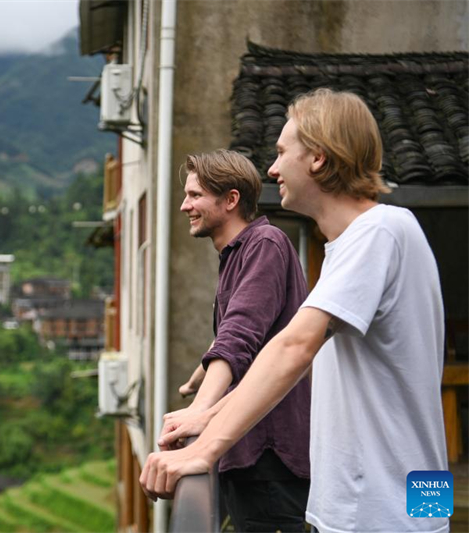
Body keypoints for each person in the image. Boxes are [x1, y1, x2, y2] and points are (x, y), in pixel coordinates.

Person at [140, 89, 449, 533]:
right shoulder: (349, 249)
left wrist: (203, 448)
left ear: (318, 159)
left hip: (388, 513)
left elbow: (293, 346)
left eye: (283, 152)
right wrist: (209, 414)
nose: (271, 169)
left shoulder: (382, 231)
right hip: (383, 507)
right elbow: (312, 362)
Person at [163, 149, 311, 532]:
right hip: (252, 456)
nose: (184, 206)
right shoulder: (240, 253)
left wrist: (200, 413)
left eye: (195, 195)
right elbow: (248, 332)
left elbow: (240, 334)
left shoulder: (264, 244)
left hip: (268, 458)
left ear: (230, 200)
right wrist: (201, 370)